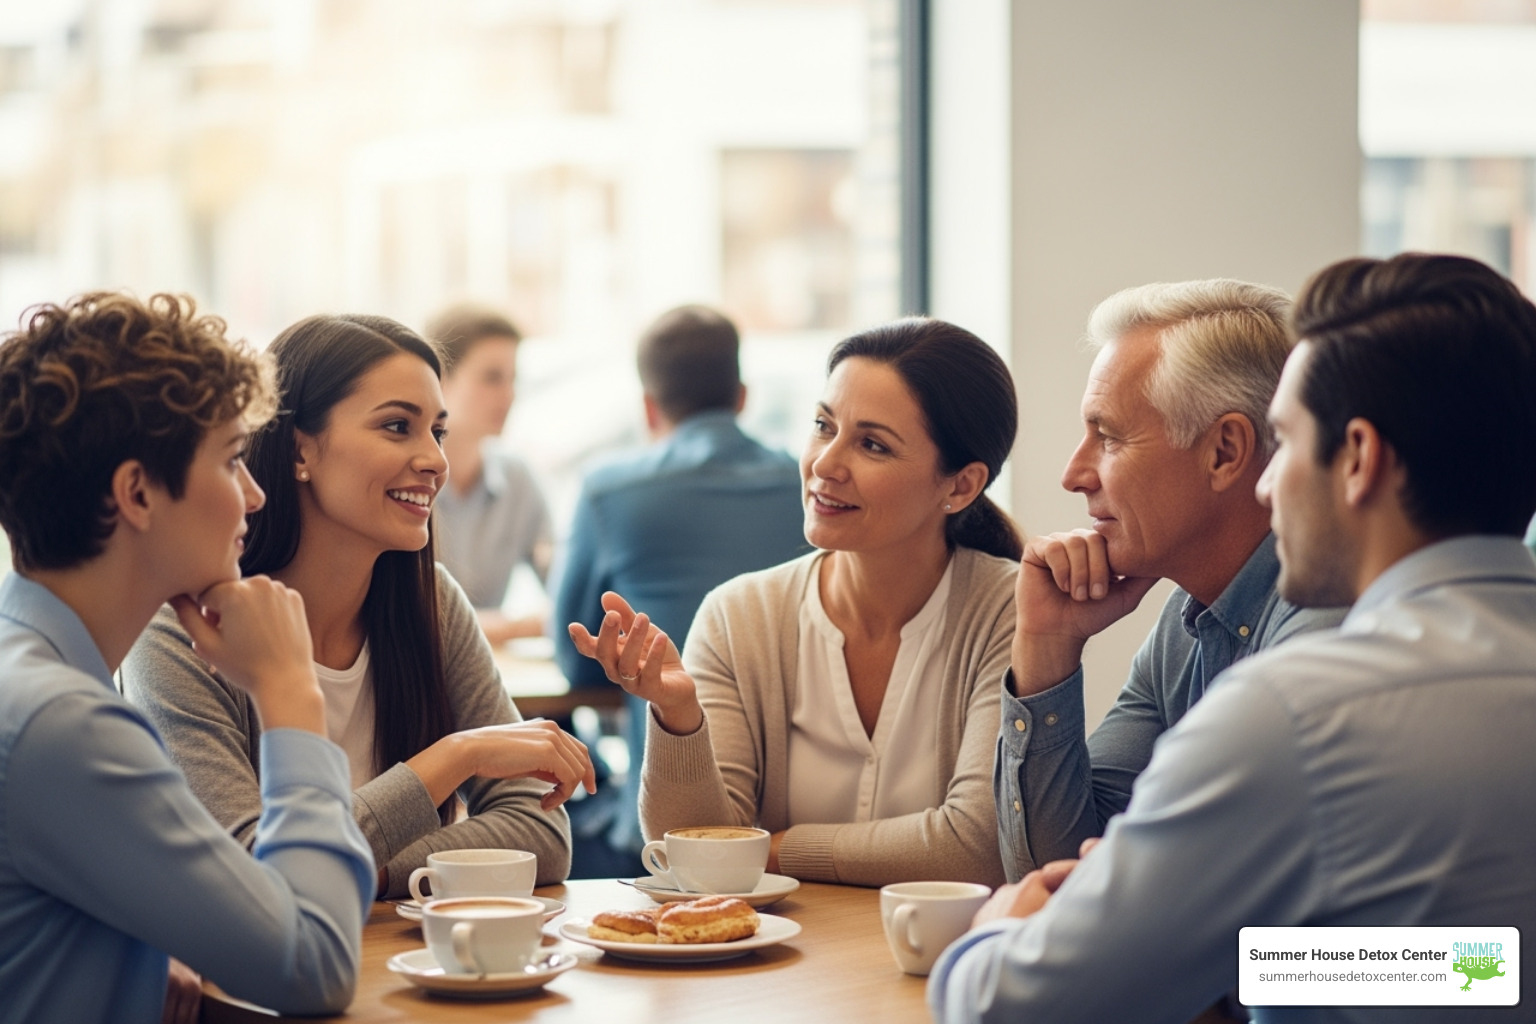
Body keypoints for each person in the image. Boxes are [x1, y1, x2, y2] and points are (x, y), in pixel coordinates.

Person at [931, 252, 1536, 1023]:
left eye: (1287, 442)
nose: (1267, 481)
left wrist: (997, 933)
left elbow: (1016, 1006)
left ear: (1357, 460)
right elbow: (1483, 966)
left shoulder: (1297, 710)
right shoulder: (1199, 635)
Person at [123, 313, 595, 899]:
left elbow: (540, 831)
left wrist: (365, 874)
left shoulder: (433, 602)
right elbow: (248, 874)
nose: (435, 461)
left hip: (410, 968)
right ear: (300, 450)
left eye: (438, 433)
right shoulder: (184, 632)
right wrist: (454, 757)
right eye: (398, 426)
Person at [0, 293, 373, 1023]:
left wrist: (140, 931)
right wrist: (292, 692)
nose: (255, 496)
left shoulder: (29, 672)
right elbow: (315, 966)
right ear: (136, 492)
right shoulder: (63, 724)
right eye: (233, 461)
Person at [570, 317, 1019, 887]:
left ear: (960, 486)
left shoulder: (1007, 609)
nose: (824, 465)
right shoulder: (739, 616)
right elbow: (694, 861)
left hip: (943, 965)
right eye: (822, 426)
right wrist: (679, 720)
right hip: (787, 970)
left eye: (872, 444)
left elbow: (975, 846)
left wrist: (771, 850)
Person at [998, 279, 1346, 880]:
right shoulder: (1187, 621)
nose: (1074, 474)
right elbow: (1053, 866)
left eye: (1107, 436)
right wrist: (1045, 649)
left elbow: (1216, 923)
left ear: (1223, 452)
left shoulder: (1326, 636)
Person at [552, 305, 806, 860]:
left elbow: (573, 659)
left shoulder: (608, 491)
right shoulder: (812, 490)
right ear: (742, 396)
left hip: (667, 817)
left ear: (649, 406)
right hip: (796, 802)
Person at [426, 304, 553, 645]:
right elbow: (405, 620)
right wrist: (515, 627)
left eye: (513, 379)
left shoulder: (518, 478)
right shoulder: (401, 479)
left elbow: (566, 595)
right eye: (492, 378)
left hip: (488, 672)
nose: (508, 395)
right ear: (439, 380)